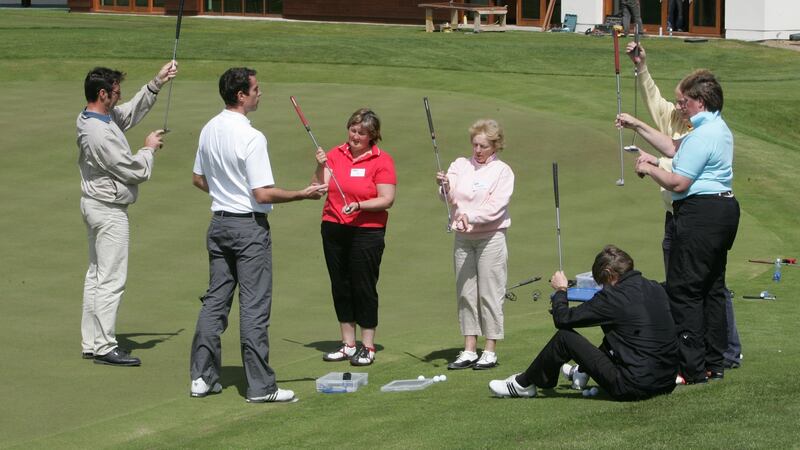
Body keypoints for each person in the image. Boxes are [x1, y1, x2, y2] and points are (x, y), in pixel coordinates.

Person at [190, 67, 327, 402]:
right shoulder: (252, 137)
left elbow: (198, 179)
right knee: (253, 307)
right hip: (248, 228)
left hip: (219, 224)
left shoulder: (209, 128)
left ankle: (202, 378)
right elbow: (262, 194)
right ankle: (261, 387)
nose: (259, 93)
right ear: (241, 95)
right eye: (255, 88)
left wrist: (225, 191)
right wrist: (302, 193)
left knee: (215, 302)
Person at [617, 69, 740, 384]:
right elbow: (673, 148)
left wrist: (648, 167)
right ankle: (714, 362)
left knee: (685, 290)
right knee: (711, 287)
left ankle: (690, 368)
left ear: (699, 102)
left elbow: (678, 181)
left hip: (702, 214)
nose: (679, 107)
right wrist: (638, 125)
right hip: (723, 210)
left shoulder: (703, 134)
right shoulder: (715, 127)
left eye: (683, 101)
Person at [77, 61, 177, 366]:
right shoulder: (98, 133)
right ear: (103, 94)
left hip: (96, 206)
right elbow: (133, 171)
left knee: (96, 275)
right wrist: (148, 148)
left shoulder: (96, 116)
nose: (119, 98)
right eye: (116, 93)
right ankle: (105, 346)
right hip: (108, 211)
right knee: (111, 278)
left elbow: (128, 114)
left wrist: (156, 83)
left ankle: (93, 341)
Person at [488, 245, 679, 401]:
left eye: (602, 282)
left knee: (565, 338)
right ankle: (581, 371)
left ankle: (524, 384)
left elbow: (563, 319)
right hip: (666, 382)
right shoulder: (655, 287)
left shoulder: (612, 297)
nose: (602, 287)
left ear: (608, 273)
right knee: (620, 333)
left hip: (634, 386)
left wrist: (561, 291)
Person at [313, 108, 396, 367]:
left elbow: (387, 199)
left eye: (362, 132)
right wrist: (320, 164)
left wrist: (359, 206)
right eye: (353, 130)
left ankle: (367, 345)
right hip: (334, 226)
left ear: (373, 136)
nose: (355, 136)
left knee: (363, 286)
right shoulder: (336, 154)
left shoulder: (381, 160)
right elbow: (319, 187)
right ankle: (348, 344)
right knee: (340, 284)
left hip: (367, 230)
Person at [436, 119, 514, 370]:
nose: (477, 150)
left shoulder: (502, 171)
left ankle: (489, 350)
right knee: (466, 293)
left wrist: (471, 215)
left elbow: (495, 207)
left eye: (483, 146)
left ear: (495, 146)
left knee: (489, 293)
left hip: (490, 237)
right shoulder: (460, 164)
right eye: (475, 145)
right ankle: (469, 348)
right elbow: (448, 197)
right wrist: (444, 186)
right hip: (463, 238)